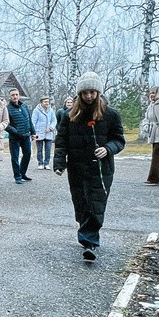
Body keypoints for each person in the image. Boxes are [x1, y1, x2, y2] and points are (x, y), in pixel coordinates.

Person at [53, 72, 126, 262]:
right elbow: (61, 141)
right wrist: (59, 163)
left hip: (101, 168)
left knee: (96, 204)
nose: (89, 96)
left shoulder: (111, 115)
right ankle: (87, 233)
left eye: (92, 92)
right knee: (81, 203)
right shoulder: (69, 116)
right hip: (77, 167)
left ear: (98, 92)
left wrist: (108, 149)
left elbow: (119, 140)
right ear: (79, 94)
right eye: (85, 93)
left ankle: (90, 242)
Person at [6, 88, 35, 183]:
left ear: (19, 95)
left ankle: (22, 173)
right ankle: (17, 176)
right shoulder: (7, 108)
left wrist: (33, 132)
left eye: (16, 94)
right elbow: (6, 124)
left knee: (27, 154)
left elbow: (29, 120)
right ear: (9, 96)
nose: (15, 96)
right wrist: (16, 131)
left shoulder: (24, 106)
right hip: (15, 137)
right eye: (13, 95)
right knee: (15, 157)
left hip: (26, 135)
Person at [32, 96, 57, 170]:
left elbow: (54, 120)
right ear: (41, 102)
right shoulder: (36, 110)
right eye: (45, 102)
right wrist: (33, 133)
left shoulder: (51, 111)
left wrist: (51, 128)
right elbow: (33, 122)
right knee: (39, 149)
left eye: (48, 102)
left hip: (49, 133)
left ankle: (47, 163)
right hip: (39, 132)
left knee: (48, 149)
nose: (47, 103)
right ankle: (40, 163)